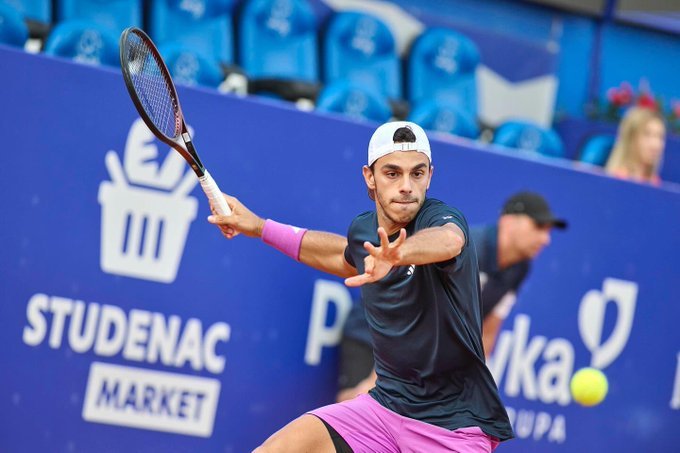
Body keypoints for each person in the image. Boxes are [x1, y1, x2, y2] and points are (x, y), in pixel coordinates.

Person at [208, 121, 513, 452]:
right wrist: (258, 227)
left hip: (453, 427)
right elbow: (340, 256)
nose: (407, 186)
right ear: (370, 176)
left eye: (417, 173)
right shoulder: (364, 231)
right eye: (392, 173)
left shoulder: (441, 219)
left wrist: (399, 254)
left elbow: (449, 242)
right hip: (383, 411)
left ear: (430, 175)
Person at [337, 192, 568, 403]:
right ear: (508, 221)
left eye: (548, 231)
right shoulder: (466, 249)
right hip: (374, 330)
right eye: (538, 226)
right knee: (359, 405)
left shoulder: (520, 268)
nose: (546, 239)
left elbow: (487, 329)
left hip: (420, 350)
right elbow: (409, 309)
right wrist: (377, 376)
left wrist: (477, 385)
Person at [605, 106, 666, 186]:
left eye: (659, 137)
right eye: (647, 134)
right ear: (631, 138)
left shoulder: (656, 183)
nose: (655, 144)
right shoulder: (614, 180)